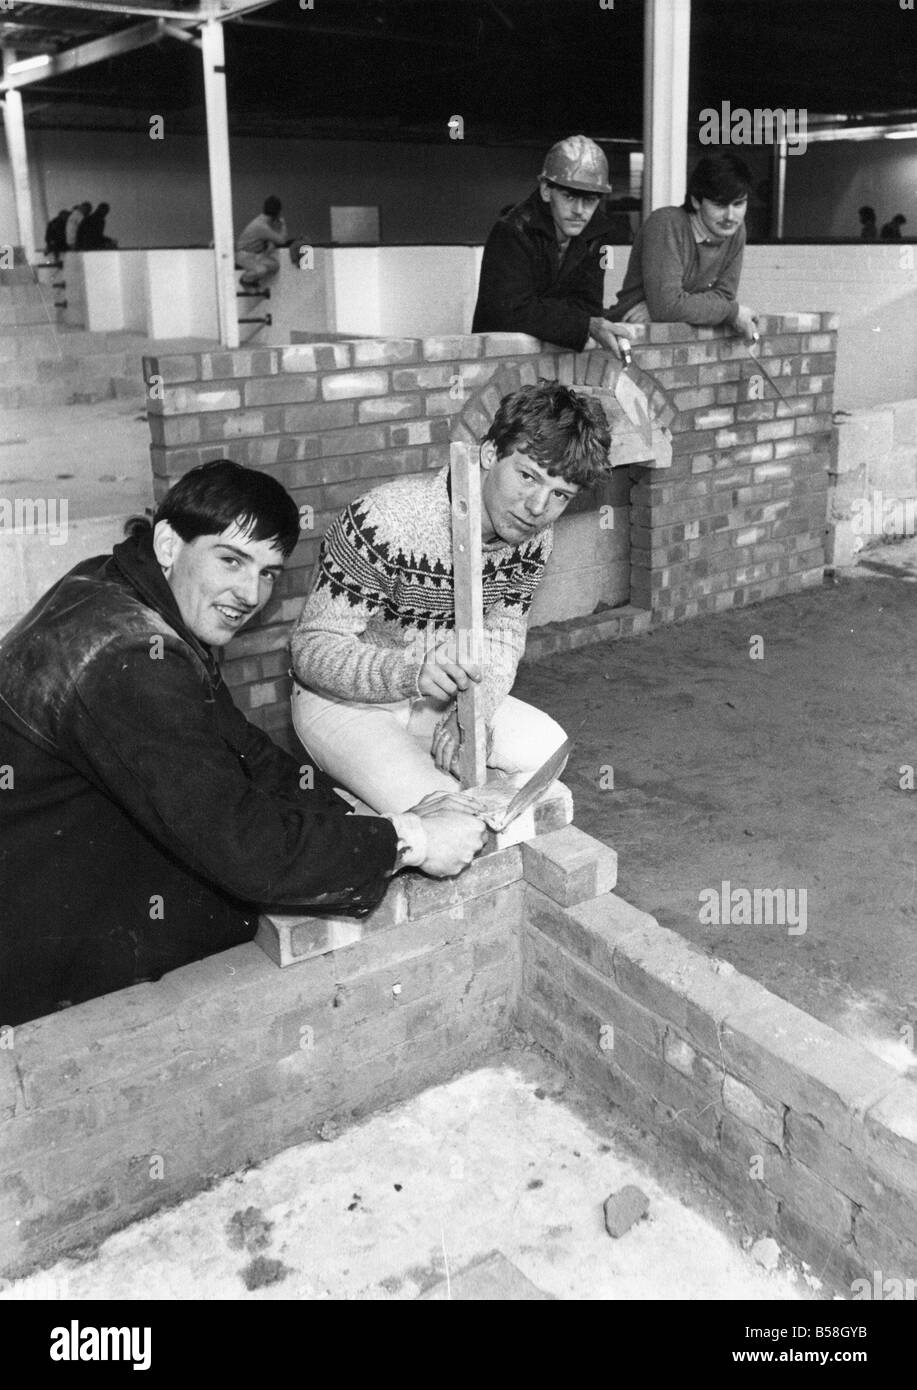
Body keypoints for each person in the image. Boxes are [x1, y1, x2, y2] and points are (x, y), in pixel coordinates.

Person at [0, 461, 485, 1026]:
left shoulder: (116, 584)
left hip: (43, 852)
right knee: (228, 907)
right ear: (168, 543)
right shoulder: (130, 658)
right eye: (230, 560)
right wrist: (410, 842)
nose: (249, 593)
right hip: (36, 926)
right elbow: (244, 847)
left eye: (268, 573)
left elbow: (236, 742)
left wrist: (349, 816)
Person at [290, 381, 612, 815]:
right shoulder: (385, 520)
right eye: (528, 476)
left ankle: (426, 792)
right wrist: (410, 673)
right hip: (343, 701)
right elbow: (310, 651)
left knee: (547, 750)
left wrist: (474, 713)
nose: (538, 507)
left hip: (439, 696)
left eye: (560, 495)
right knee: (445, 812)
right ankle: (379, 809)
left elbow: (502, 635)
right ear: (489, 454)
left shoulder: (534, 540)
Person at [471, 134, 635, 358]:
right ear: (546, 190)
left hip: (560, 358)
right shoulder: (512, 230)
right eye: (569, 197)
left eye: (590, 200)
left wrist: (577, 321)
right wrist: (584, 324)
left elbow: (588, 307)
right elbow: (509, 312)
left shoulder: (597, 234)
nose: (579, 210)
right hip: (502, 360)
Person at [609, 154, 760, 342]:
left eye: (738, 204)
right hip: (629, 335)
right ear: (696, 201)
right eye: (719, 205)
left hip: (681, 340)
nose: (730, 216)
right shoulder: (666, 224)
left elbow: (725, 296)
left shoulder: (736, 231)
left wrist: (666, 308)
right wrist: (731, 312)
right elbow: (669, 307)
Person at [236, 195, 289, 290]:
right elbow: (282, 240)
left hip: (255, 255)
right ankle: (245, 280)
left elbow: (272, 241)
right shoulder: (261, 226)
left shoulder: (263, 223)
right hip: (243, 255)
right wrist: (283, 224)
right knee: (262, 270)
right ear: (278, 212)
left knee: (274, 266)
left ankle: (253, 278)